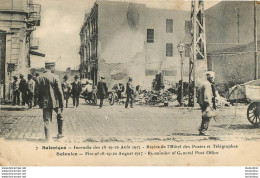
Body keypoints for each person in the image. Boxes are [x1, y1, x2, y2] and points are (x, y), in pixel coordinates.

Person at [37, 62, 64, 140]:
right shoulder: (55, 77)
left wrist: (40, 102)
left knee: (47, 120)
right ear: (51, 67)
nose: (54, 69)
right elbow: (60, 92)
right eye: (54, 67)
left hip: (45, 103)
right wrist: (62, 104)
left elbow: (36, 92)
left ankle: (48, 139)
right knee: (60, 116)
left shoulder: (39, 77)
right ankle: (60, 133)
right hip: (55, 102)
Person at [198, 71, 217, 136]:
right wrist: (209, 104)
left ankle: (201, 129)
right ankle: (203, 131)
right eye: (213, 78)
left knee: (204, 116)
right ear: (211, 78)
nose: (213, 80)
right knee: (207, 117)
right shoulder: (207, 85)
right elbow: (207, 95)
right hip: (206, 103)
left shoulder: (203, 83)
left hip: (202, 102)